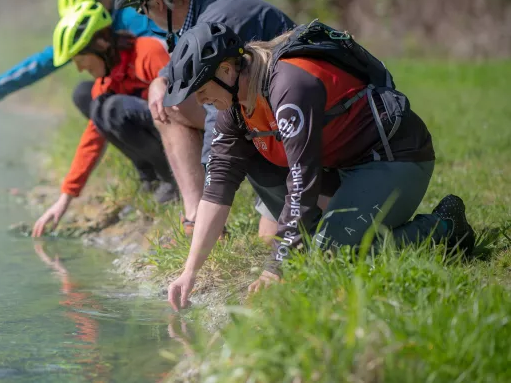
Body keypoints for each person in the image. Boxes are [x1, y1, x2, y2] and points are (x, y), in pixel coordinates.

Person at [162, 21, 477, 310]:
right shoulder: (234, 107)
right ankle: (330, 234)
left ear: (227, 70)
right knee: (308, 250)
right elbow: (217, 186)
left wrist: (275, 268)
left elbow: (302, 182)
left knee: (330, 258)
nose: (201, 102)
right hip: (340, 167)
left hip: (393, 157)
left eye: (202, 91)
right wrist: (190, 272)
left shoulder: (288, 85)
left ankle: (445, 227)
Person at [115, 0, 298, 237]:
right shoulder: (204, 4)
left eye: (144, 11)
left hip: (295, 127)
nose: (147, 18)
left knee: (269, 240)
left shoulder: (217, 19)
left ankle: (208, 218)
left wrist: (215, 187)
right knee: (168, 101)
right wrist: (159, 80)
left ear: (157, 5)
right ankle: (196, 217)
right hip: (268, 116)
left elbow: (219, 112)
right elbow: (184, 64)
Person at [0, 0, 168, 194]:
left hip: (160, 98)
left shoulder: (134, 21)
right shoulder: (87, 31)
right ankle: (149, 173)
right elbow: (40, 63)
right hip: (132, 97)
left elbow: (165, 59)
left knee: (112, 106)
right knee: (86, 94)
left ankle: (170, 171)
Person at [31, 0, 175, 237]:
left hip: (189, 135)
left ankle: (175, 181)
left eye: (81, 59)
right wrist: (64, 199)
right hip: (164, 134)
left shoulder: (148, 53)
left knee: (113, 108)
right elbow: (92, 138)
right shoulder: (107, 80)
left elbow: (188, 107)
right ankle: (155, 179)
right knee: (102, 109)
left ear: (101, 44)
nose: (79, 69)